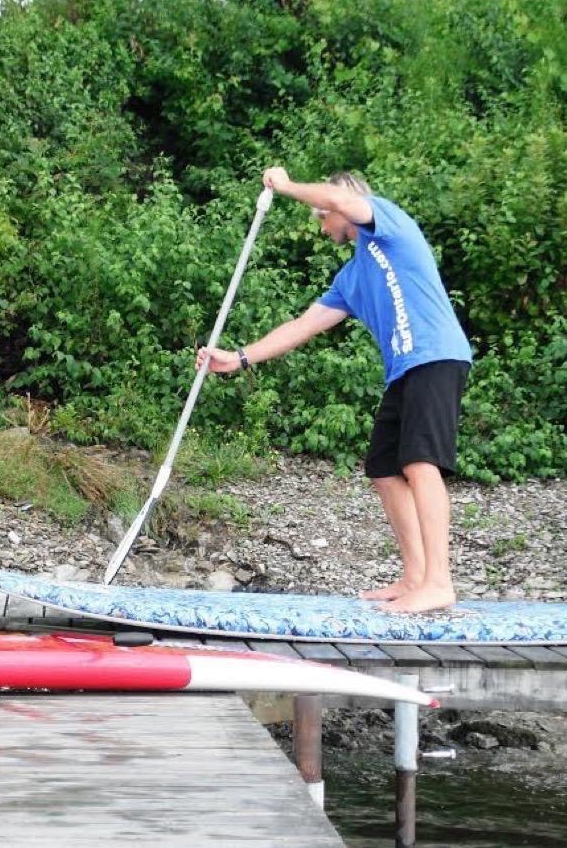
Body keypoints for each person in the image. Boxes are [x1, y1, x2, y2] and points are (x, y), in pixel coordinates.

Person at [197, 168, 472, 613]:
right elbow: (302, 326)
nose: (322, 227)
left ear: (342, 204)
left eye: (323, 216)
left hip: (435, 356)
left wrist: (286, 187)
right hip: (404, 370)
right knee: (384, 469)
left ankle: (439, 583)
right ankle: (415, 576)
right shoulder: (351, 277)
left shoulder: (388, 226)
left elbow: (338, 199)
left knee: (421, 462)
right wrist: (240, 357)